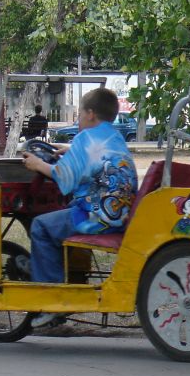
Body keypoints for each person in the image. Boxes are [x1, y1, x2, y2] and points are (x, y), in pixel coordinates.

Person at [21, 88, 138, 328]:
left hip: (97, 216)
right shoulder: (112, 137)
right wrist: (70, 152)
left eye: (80, 114)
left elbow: (64, 176)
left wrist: (37, 164)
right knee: (54, 223)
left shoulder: (87, 139)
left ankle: (53, 303)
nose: (79, 120)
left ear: (91, 114)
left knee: (41, 226)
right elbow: (92, 161)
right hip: (118, 213)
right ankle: (45, 270)